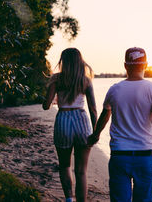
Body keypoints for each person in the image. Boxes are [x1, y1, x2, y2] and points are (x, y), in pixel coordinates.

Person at [88, 47, 152, 202]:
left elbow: (105, 115)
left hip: (119, 156)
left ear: (125, 66)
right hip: (144, 157)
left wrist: (95, 135)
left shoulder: (114, 90)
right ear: (145, 65)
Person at [43, 48, 97, 202]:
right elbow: (93, 109)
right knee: (81, 172)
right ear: (80, 61)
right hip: (81, 119)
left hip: (63, 120)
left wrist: (48, 98)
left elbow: (46, 106)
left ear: (63, 62)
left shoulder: (57, 79)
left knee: (65, 165)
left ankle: (68, 199)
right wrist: (95, 132)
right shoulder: (85, 80)